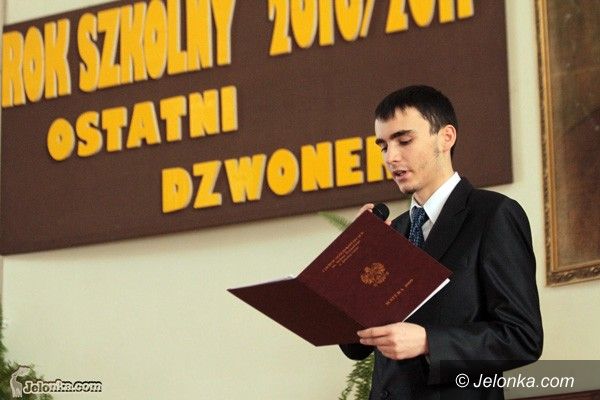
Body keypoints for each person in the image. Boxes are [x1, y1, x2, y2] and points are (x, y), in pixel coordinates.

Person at [340, 85, 543, 399]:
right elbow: (355, 348)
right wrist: (355, 256)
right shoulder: (392, 232)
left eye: (404, 140)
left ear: (446, 137)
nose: (391, 157)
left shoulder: (493, 215)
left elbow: (522, 337)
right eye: (383, 145)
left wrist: (428, 342)